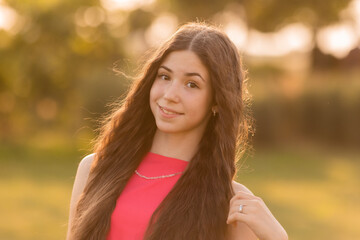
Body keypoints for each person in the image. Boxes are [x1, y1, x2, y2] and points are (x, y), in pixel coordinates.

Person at [66, 22, 288, 240]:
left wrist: (277, 237)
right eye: (165, 76)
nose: (170, 94)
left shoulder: (232, 204)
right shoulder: (94, 169)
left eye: (192, 84)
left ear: (216, 101)